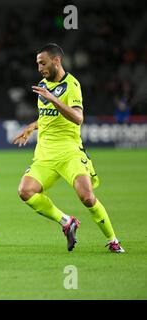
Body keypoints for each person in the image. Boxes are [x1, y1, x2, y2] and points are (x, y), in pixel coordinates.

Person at [13, 43, 124, 253]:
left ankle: (113, 240)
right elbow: (47, 118)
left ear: (57, 60)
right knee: (25, 191)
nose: (39, 68)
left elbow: (77, 118)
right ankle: (66, 221)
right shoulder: (42, 84)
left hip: (70, 152)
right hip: (45, 154)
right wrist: (32, 126)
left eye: (43, 63)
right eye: (37, 64)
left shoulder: (72, 85)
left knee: (87, 197)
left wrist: (54, 99)